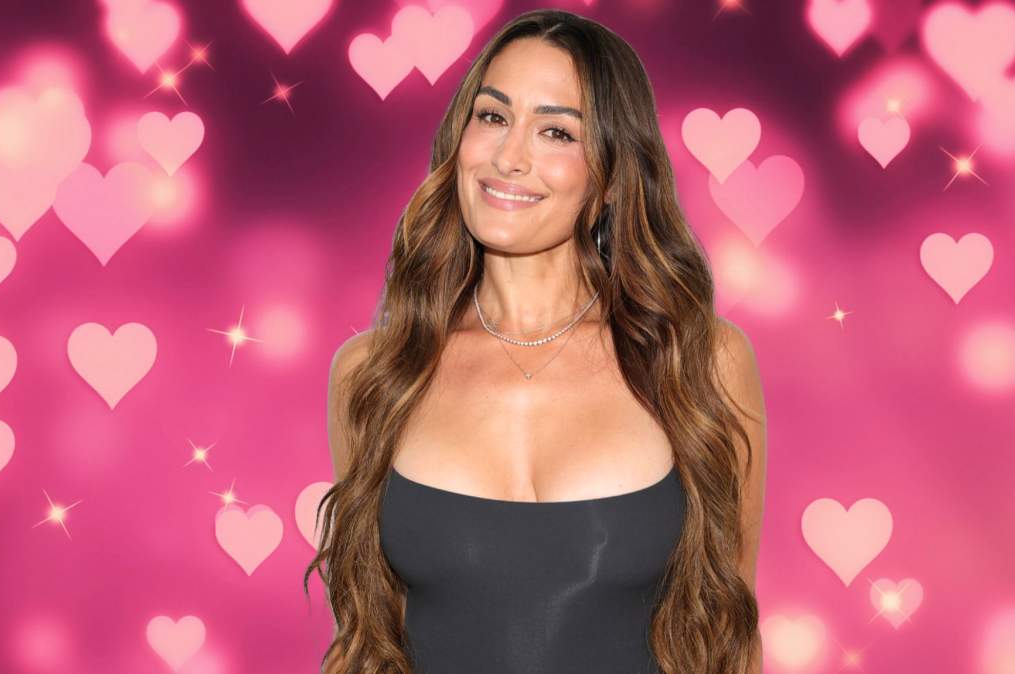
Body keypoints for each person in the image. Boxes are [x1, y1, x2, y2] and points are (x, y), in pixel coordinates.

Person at [305, 8, 767, 674]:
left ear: (610, 175)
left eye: (556, 131)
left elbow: (730, 639)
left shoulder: (700, 362)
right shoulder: (377, 371)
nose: (509, 157)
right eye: (493, 117)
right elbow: (363, 642)